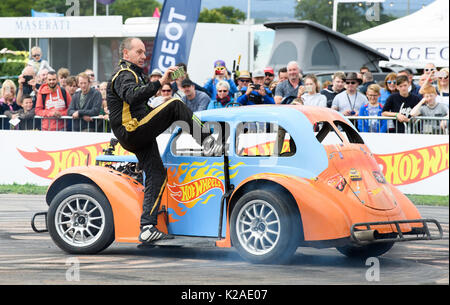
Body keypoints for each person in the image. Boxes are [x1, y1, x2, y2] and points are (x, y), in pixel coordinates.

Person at [107, 38, 214, 243]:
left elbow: (140, 105)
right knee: (174, 104)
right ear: (126, 54)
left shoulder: (135, 74)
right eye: (138, 52)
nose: (143, 56)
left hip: (134, 132)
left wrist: (161, 89)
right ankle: (211, 144)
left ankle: (147, 226)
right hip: (132, 129)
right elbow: (131, 97)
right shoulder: (124, 74)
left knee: (157, 173)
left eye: (143, 52)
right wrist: (161, 82)